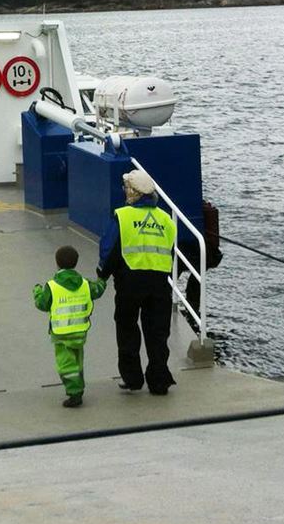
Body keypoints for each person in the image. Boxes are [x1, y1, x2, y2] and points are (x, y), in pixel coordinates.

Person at [97, 169, 178, 395]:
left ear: (133, 192)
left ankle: (133, 378)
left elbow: (110, 248)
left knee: (127, 329)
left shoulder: (122, 216)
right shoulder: (166, 220)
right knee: (158, 333)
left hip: (129, 282)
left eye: (126, 187)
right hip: (160, 283)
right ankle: (159, 380)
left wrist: (102, 273)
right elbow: (168, 250)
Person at [33, 245, 106, 407]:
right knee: (78, 361)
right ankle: (79, 385)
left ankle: (74, 393)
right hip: (80, 331)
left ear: (57, 264)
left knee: (66, 364)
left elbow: (42, 304)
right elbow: (98, 290)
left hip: (61, 334)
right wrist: (102, 280)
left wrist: (37, 291)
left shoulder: (51, 286)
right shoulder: (85, 284)